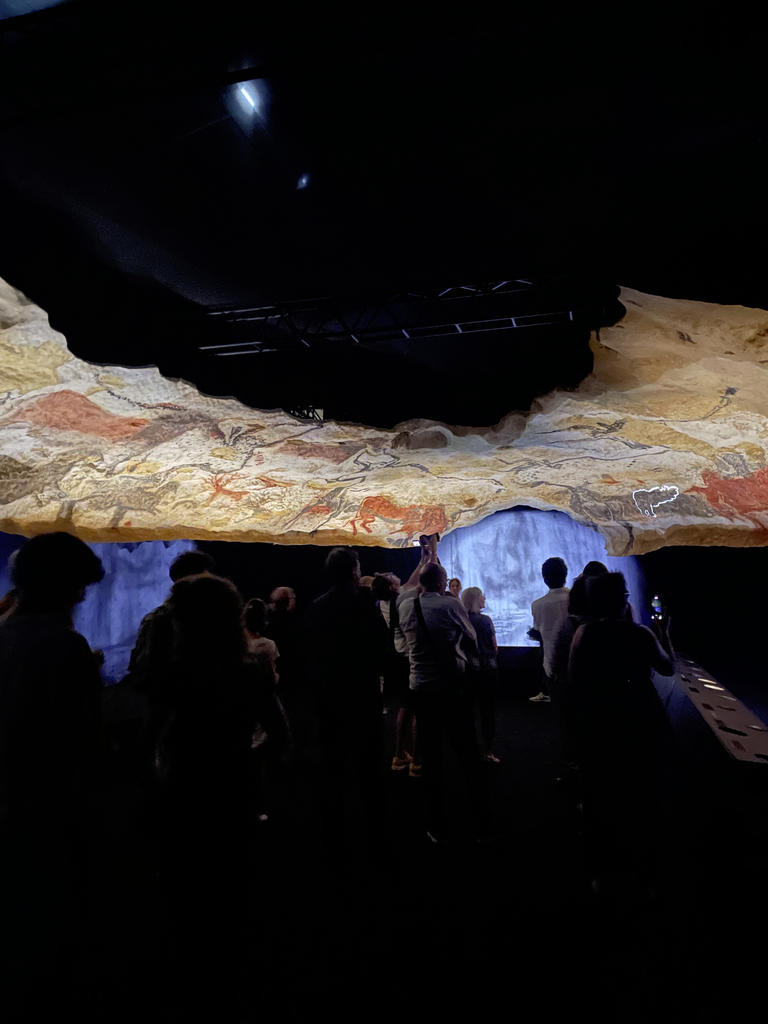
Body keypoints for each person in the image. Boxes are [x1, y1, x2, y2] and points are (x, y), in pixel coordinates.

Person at [0, 532, 105, 968]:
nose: (81, 597)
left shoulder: (7, 635)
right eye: (78, 587)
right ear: (63, 587)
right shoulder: (65, 645)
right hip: (48, 802)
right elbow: (82, 737)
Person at [568, 571, 675, 890]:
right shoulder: (640, 634)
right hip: (640, 717)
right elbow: (668, 667)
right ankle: (646, 867)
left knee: (601, 792)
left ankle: (601, 870)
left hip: (599, 722)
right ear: (622, 600)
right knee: (642, 790)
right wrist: (663, 632)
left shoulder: (584, 634)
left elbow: (574, 680)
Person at [397, 546, 485, 841]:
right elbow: (471, 637)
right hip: (451, 687)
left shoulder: (405, 605)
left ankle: (435, 822)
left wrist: (426, 559)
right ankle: (478, 812)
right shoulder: (450, 605)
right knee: (465, 748)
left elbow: (409, 591)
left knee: (430, 754)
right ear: (443, 583)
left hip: (420, 688)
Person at [303, 547, 389, 842]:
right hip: (363, 696)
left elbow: (310, 653)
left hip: (329, 697)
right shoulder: (364, 605)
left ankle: (333, 834)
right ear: (354, 571)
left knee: (332, 764)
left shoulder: (316, 607)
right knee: (369, 767)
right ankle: (375, 832)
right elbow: (382, 647)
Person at [372, 571, 421, 777]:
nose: (392, 574)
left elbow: (411, 581)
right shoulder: (402, 598)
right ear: (393, 587)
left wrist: (424, 559)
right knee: (417, 710)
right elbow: (419, 583)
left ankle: (400, 754)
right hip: (408, 659)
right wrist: (430, 559)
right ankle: (417, 761)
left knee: (404, 707)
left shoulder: (382, 603)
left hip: (396, 660)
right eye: (390, 576)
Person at [461, 586, 500, 763]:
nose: (484, 599)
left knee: (467, 711)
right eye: (482, 596)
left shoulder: (461, 619)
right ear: (476, 600)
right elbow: (494, 646)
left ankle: (469, 751)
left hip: (467, 671)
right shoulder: (486, 620)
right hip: (487, 671)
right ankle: (488, 751)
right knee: (487, 711)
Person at [528, 556, 569, 703]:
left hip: (551, 664)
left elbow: (538, 631)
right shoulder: (577, 598)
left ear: (544, 578)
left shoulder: (537, 605)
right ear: (565, 574)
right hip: (578, 662)